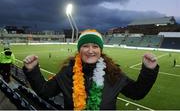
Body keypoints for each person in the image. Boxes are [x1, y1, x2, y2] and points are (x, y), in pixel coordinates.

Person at [23, 29, 159, 110]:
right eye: (85, 46)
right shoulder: (67, 72)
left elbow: (137, 92)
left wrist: (148, 70)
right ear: (79, 49)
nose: (90, 51)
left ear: (100, 50)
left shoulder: (113, 73)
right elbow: (45, 91)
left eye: (95, 46)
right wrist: (32, 70)